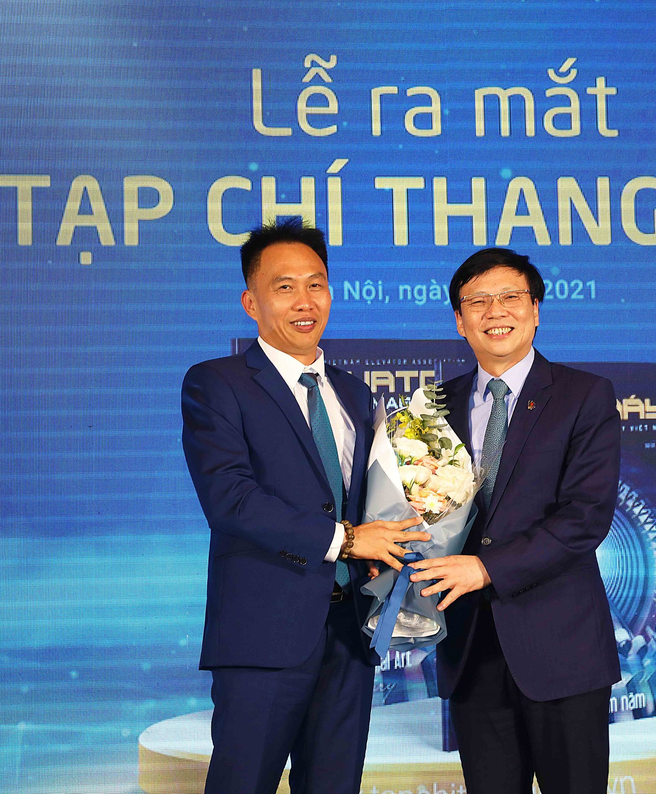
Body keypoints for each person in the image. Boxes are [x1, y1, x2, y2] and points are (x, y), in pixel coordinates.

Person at [180, 217, 427, 794]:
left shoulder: (354, 392)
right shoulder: (217, 383)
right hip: (263, 634)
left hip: (350, 633)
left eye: (316, 284)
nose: (304, 300)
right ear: (251, 302)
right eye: (284, 286)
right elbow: (230, 499)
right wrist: (347, 539)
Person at [408, 247, 621, 794]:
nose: (495, 311)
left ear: (535, 310)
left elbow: (584, 517)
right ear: (460, 320)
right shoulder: (433, 407)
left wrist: (485, 568)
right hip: (471, 647)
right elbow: (417, 506)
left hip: (562, 647)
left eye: (510, 297)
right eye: (477, 301)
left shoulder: (584, 395)